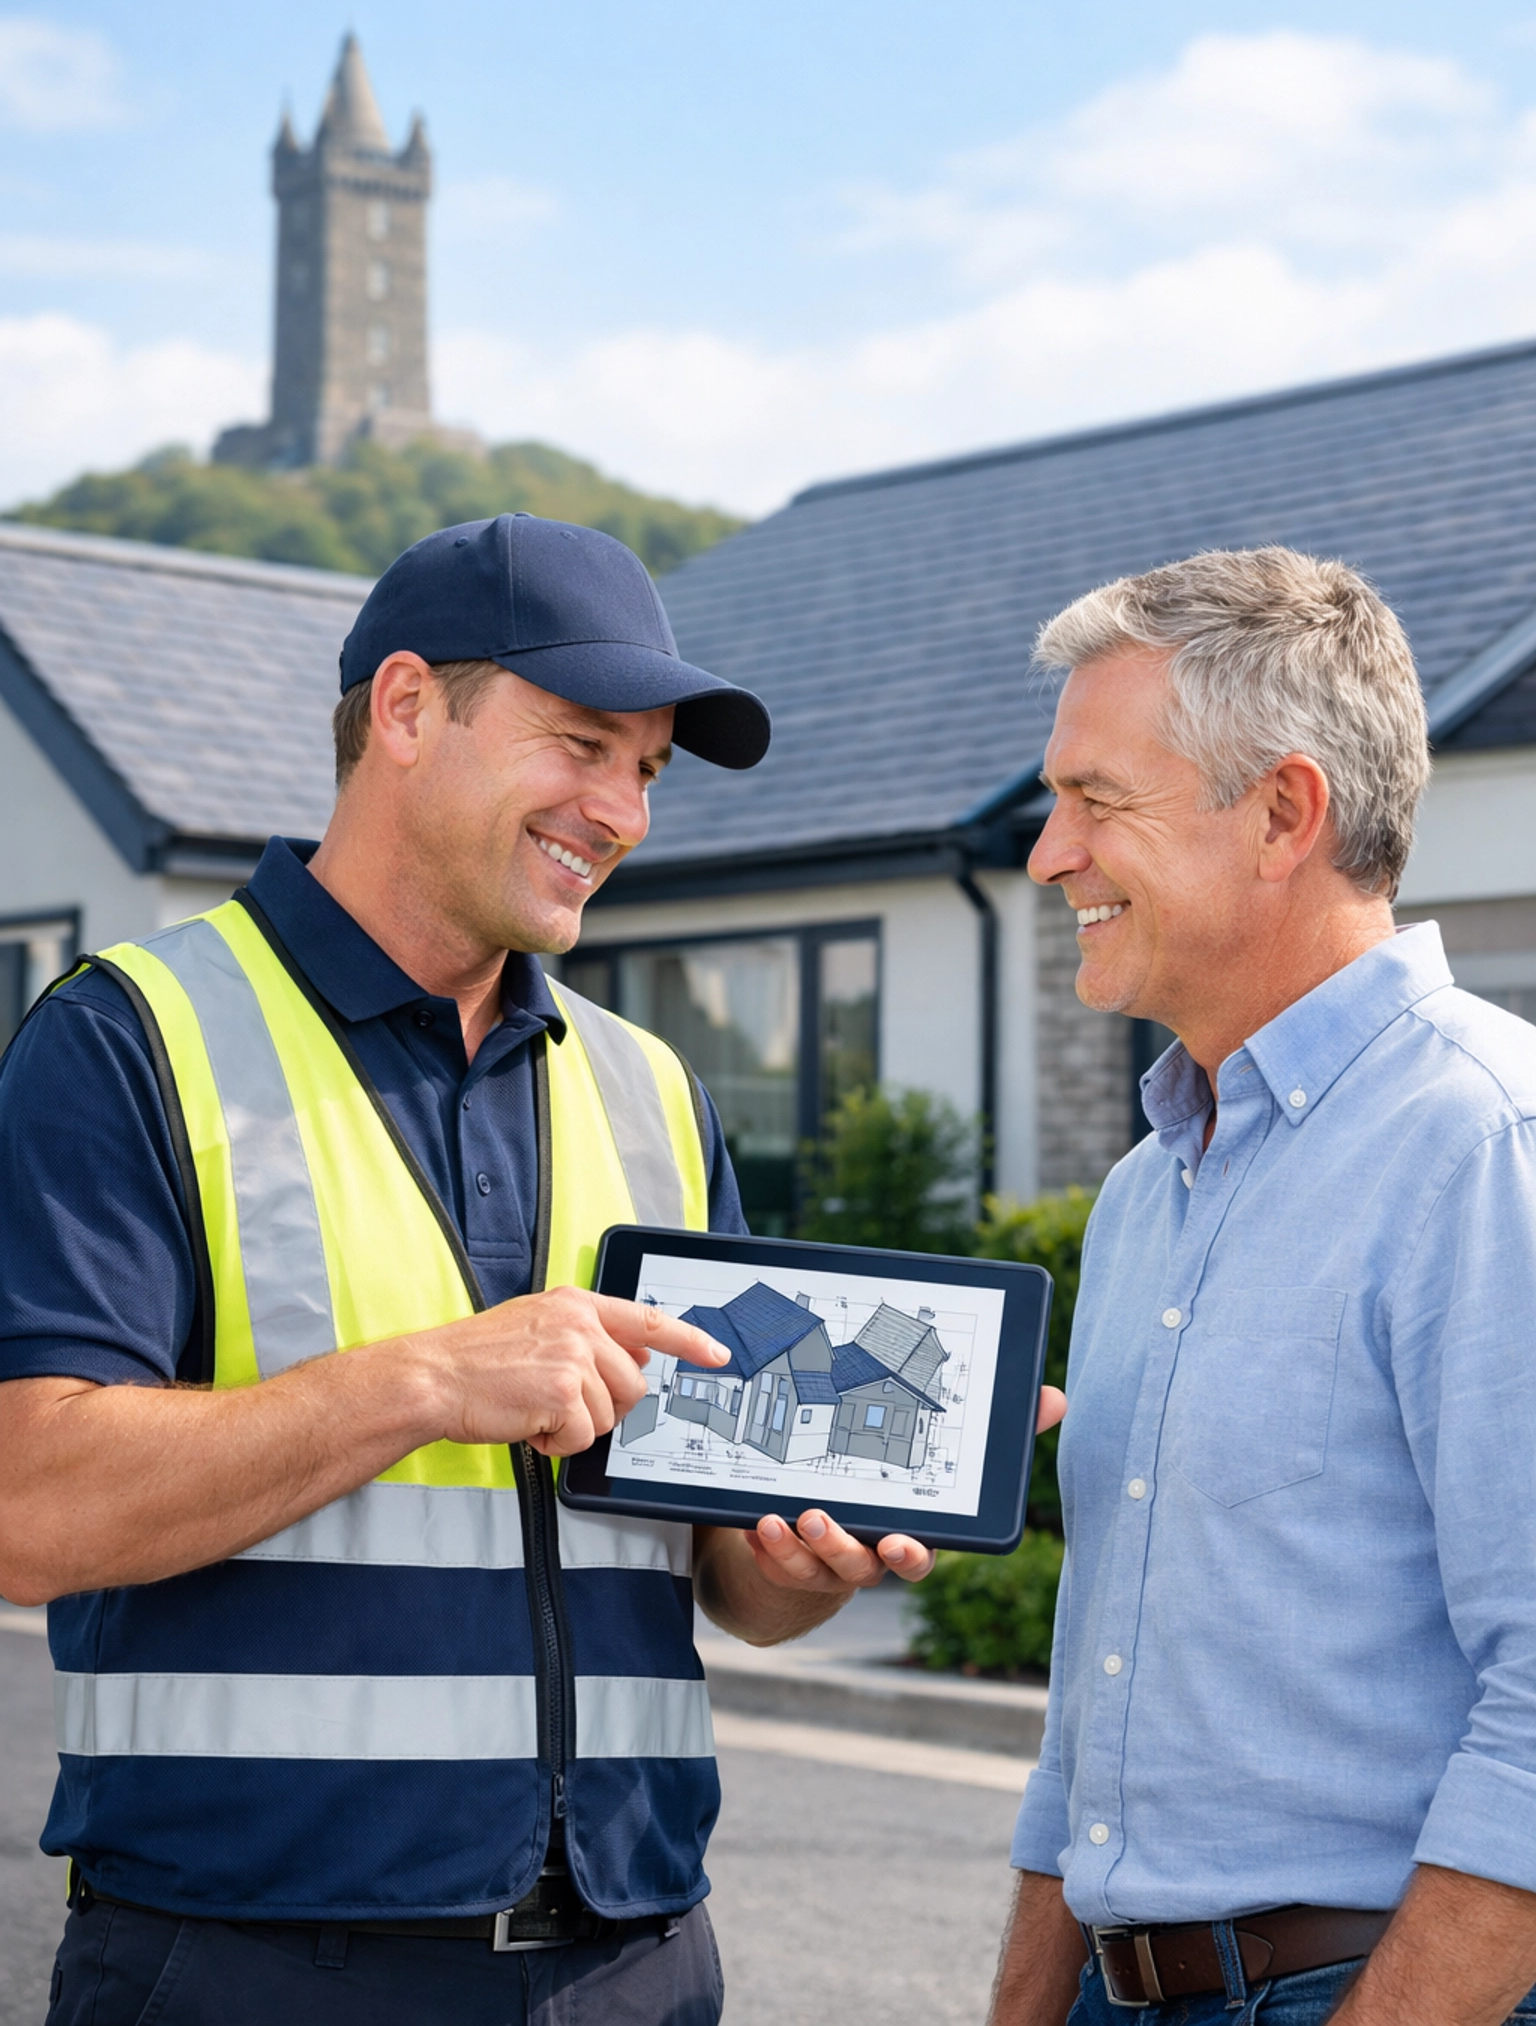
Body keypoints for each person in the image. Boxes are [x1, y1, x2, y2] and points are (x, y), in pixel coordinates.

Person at [0, 513, 944, 2026]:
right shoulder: (129, 1041)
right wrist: (430, 1380)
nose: (621, 811)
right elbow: (28, 1508)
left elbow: (720, 1579)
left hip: (634, 1960)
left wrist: (788, 1576)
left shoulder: (652, 1089)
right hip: (254, 1967)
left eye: (648, 770)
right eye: (581, 745)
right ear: (403, 709)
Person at [988, 546, 1536, 2026]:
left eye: (1097, 800)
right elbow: (1088, 1722)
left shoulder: (1489, 1145)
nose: (1048, 855)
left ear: (1285, 812)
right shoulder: (1142, 1195)